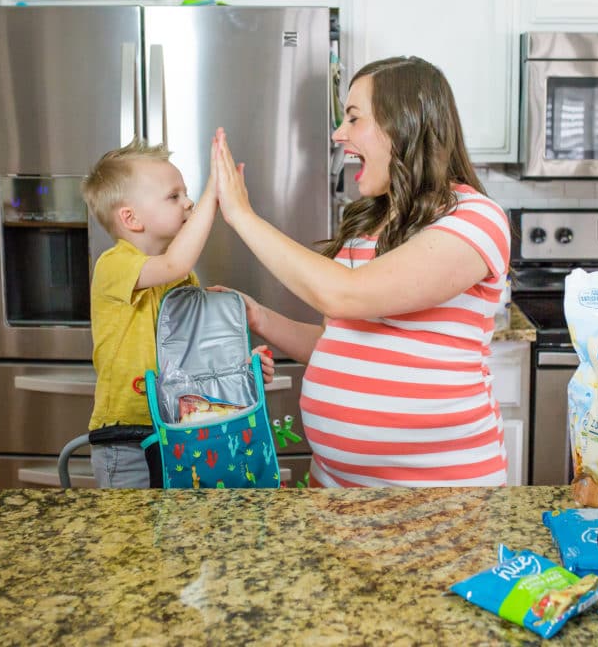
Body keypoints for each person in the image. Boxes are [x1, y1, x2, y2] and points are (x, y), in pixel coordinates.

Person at [211, 56, 511, 487]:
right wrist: (259, 316)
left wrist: (242, 216)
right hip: (336, 493)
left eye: (353, 118)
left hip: (441, 500)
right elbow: (342, 342)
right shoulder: (368, 226)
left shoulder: (474, 218)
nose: (338, 134)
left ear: (403, 124)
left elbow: (346, 295)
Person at [81, 132, 274, 488]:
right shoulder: (114, 265)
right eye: (175, 196)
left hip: (179, 430)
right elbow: (172, 263)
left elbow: (197, 359)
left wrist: (244, 372)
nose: (188, 204)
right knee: (132, 540)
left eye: (187, 194)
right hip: (126, 440)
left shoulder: (183, 276)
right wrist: (211, 196)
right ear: (131, 218)